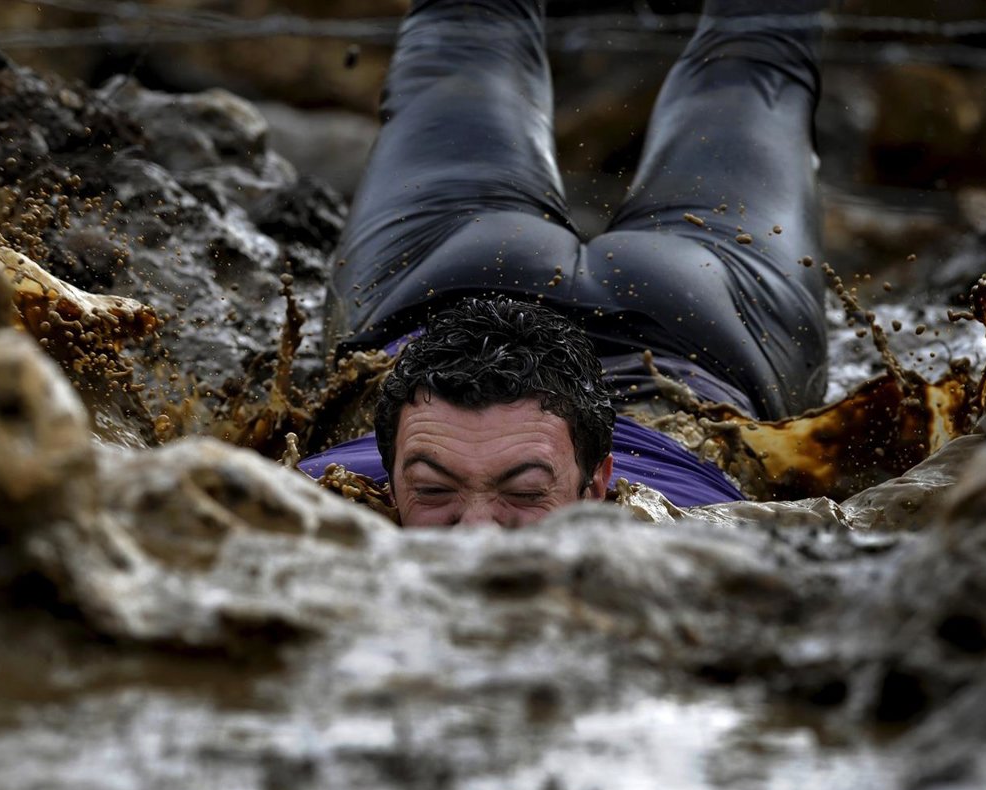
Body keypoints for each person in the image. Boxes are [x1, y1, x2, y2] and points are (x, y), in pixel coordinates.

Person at [298, 0, 830, 527]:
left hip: (443, 277)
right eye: (433, 491)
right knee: (762, 46)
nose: (477, 537)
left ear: (601, 486)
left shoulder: (313, 518)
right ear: (388, 486)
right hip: (698, 329)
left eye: (525, 494)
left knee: (762, 52)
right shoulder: (690, 547)